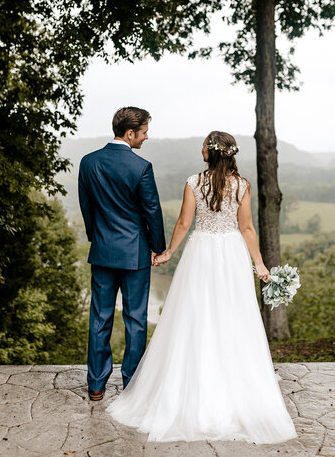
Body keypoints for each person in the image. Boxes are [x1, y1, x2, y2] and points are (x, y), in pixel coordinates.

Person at [106, 131, 298, 444]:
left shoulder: (194, 182)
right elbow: (247, 228)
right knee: (232, 317)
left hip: (201, 254)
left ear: (210, 152)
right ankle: (230, 388)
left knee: (194, 317)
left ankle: (191, 389)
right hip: (232, 255)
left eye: (203, 145)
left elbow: (184, 223)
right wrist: (260, 264)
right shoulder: (242, 185)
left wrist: (168, 252)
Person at [78, 107, 166, 401]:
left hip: (102, 252)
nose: (147, 136)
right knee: (136, 320)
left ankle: (96, 384)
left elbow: (87, 208)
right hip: (135, 255)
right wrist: (158, 248)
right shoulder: (141, 167)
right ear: (130, 133)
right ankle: (132, 383)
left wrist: (97, 238)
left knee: (100, 318)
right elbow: (152, 211)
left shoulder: (88, 162)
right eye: (144, 131)